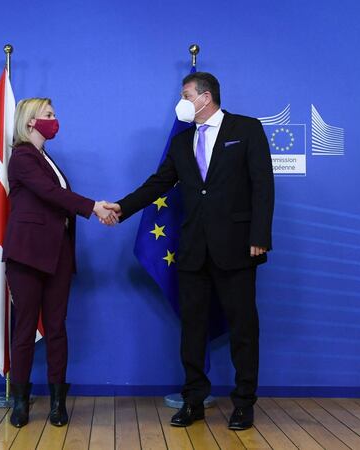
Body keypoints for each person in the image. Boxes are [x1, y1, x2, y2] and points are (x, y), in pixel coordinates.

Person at [107, 72, 274, 430]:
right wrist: (121, 208)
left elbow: (263, 184)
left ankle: (244, 403)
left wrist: (260, 235)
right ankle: (193, 400)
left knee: (244, 327)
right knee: (192, 329)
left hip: (238, 247)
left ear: (205, 96)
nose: (180, 100)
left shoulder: (246, 129)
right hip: (193, 250)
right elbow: (158, 183)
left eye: (185, 94)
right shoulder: (182, 142)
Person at [2, 97, 117, 428]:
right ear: (30, 122)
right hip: (26, 255)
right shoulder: (23, 157)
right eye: (48, 115)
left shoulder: (45, 158)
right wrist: (93, 206)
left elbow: (57, 199)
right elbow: (50, 195)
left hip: (58, 258)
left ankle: (57, 403)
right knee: (24, 329)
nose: (55, 120)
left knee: (57, 329)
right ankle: (21, 402)